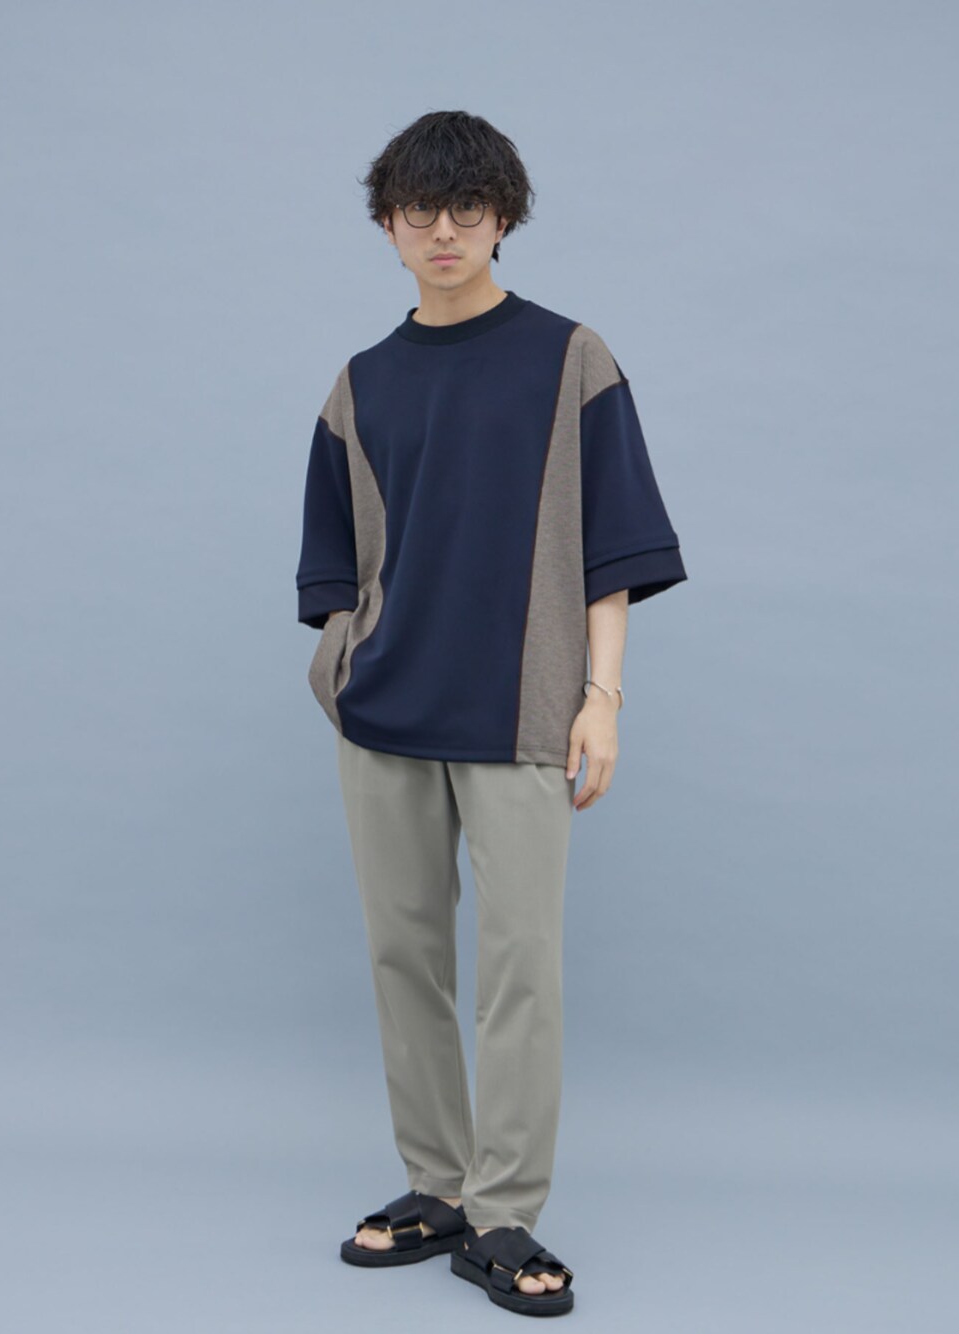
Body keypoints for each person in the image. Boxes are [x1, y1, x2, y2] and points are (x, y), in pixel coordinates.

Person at [295, 109, 687, 1318]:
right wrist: (344, 663)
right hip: (386, 713)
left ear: (502, 216)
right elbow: (332, 565)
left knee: (521, 966)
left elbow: (612, 550)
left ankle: (505, 1211)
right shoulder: (361, 383)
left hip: (523, 710)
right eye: (420, 210)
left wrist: (600, 697)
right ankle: (438, 1185)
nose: (443, 231)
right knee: (402, 956)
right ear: (387, 225)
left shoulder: (571, 359)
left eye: (467, 208)